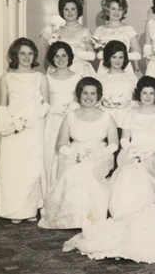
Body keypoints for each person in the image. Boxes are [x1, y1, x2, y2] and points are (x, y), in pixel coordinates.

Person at [39, 77, 118, 229]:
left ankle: (89, 218)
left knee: (86, 171)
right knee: (75, 172)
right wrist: (72, 154)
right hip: (73, 154)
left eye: (93, 94)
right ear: (79, 95)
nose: (89, 97)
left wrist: (98, 154)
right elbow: (60, 144)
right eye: (85, 93)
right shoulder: (70, 116)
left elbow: (114, 144)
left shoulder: (107, 117)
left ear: (98, 96)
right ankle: (72, 218)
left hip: (100, 156)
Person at [0, 38, 49, 223]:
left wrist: (30, 119)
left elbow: (46, 105)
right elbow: (3, 106)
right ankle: (14, 211)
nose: (26, 57)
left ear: (34, 56)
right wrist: (8, 125)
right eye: (22, 53)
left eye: (30, 53)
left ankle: (30, 209)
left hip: (33, 127)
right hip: (13, 129)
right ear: (15, 55)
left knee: (31, 167)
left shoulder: (40, 77)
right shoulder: (6, 78)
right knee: (13, 167)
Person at [108, 76, 155, 218]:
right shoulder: (130, 114)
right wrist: (131, 150)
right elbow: (124, 138)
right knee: (129, 171)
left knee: (141, 172)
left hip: (154, 153)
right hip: (132, 152)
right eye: (144, 93)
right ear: (139, 94)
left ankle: (144, 214)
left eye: (151, 93)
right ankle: (125, 215)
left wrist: (149, 152)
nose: (148, 97)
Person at [43, 41, 81, 192]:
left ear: (69, 57)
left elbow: (81, 100)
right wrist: (56, 110)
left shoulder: (77, 76)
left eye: (64, 55)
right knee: (51, 155)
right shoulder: (47, 78)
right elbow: (45, 101)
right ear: (52, 58)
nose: (60, 59)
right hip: (53, 120)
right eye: (56, 56)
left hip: (72, 120)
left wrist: (72, 108)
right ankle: (51, 192)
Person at [45, 0, 96, 76]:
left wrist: (74, 51)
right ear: (62, 11)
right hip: (60, 69)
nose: (69, 12)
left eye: (73, 9)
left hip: (80, 71)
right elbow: (51, 57)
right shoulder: (56, 33)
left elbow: (92, 56)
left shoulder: (85, 31)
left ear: (78, 10)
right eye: (66, 9)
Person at [93, 0, 142, 76]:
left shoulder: (129, 29)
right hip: (104, 69)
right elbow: (95, 54)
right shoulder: (99, 30)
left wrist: (121, 57)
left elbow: (138, 54)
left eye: (119, 9)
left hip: (124, 68)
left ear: (123, 11)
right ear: (107, 10)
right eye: (113, 9)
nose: (116, 12)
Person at [97, 41, 138, 127]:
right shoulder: (100, 79)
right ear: (108, 58)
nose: (118, 61)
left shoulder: (132, 78)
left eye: (121, 57)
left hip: (126, 119)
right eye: (114, 57)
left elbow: (137, 100)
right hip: (106, 119)